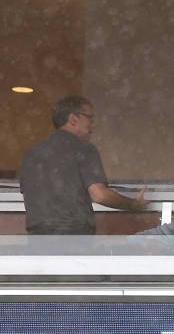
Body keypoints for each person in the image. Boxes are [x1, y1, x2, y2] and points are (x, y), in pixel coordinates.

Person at [20, 95, 149, 235]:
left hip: (37, 240)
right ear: (73, 119)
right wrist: (134, 205)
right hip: (74, 238)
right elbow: (100, 195)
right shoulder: (83, 148)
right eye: (90, 118)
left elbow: (31, 197)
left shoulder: (32, 154)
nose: (93, 124)